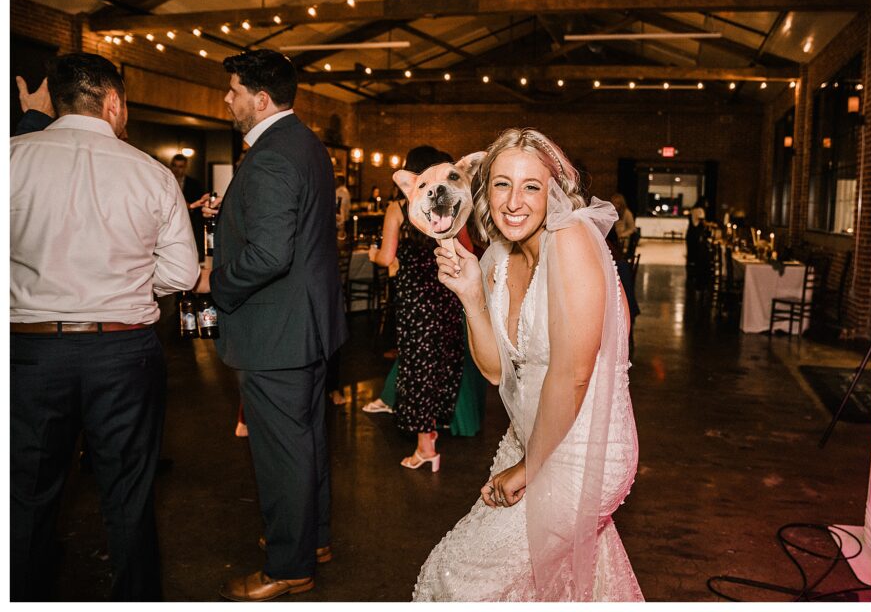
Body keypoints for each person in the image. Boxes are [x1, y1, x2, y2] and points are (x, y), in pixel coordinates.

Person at [416, 128, 643, 601]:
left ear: (554, 192)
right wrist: (472, 297)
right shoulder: (499, 258)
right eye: (501, 184)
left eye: (531, 186)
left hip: (584, 452)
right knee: (550, 587)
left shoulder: (572, 242)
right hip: (530, 434)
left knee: (456, 581)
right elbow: (498, 371)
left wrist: (525, 469)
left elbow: (574, 374)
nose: (513, 201)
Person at [10, 53, 200, 601]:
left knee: (26, 495)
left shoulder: (13, 157)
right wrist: (131, 287)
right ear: (113, 103)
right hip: (123, 352)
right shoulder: (150, 173)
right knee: (128, 495)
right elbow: (182, 273)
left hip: (30, 351)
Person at [194, 49, 347, 602]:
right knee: (305, 442)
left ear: (261, 99)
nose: (227, 99)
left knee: (282, 452)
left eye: (233, 90)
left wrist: (216, 281)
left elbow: (269, 255)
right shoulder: (304, 143)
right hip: (304, 327)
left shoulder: (271, 156)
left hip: (277, 332)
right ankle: (313, 540)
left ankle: (289, 565)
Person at [368, 146, 465, 469]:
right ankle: (434, 431)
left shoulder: (399, 208)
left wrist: (373, 255)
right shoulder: (450, 206)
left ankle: (426, 448)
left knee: (418, 368)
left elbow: (385, 256)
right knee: (442, 364)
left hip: (416, 301)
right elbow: (465, 250)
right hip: (448, 296)